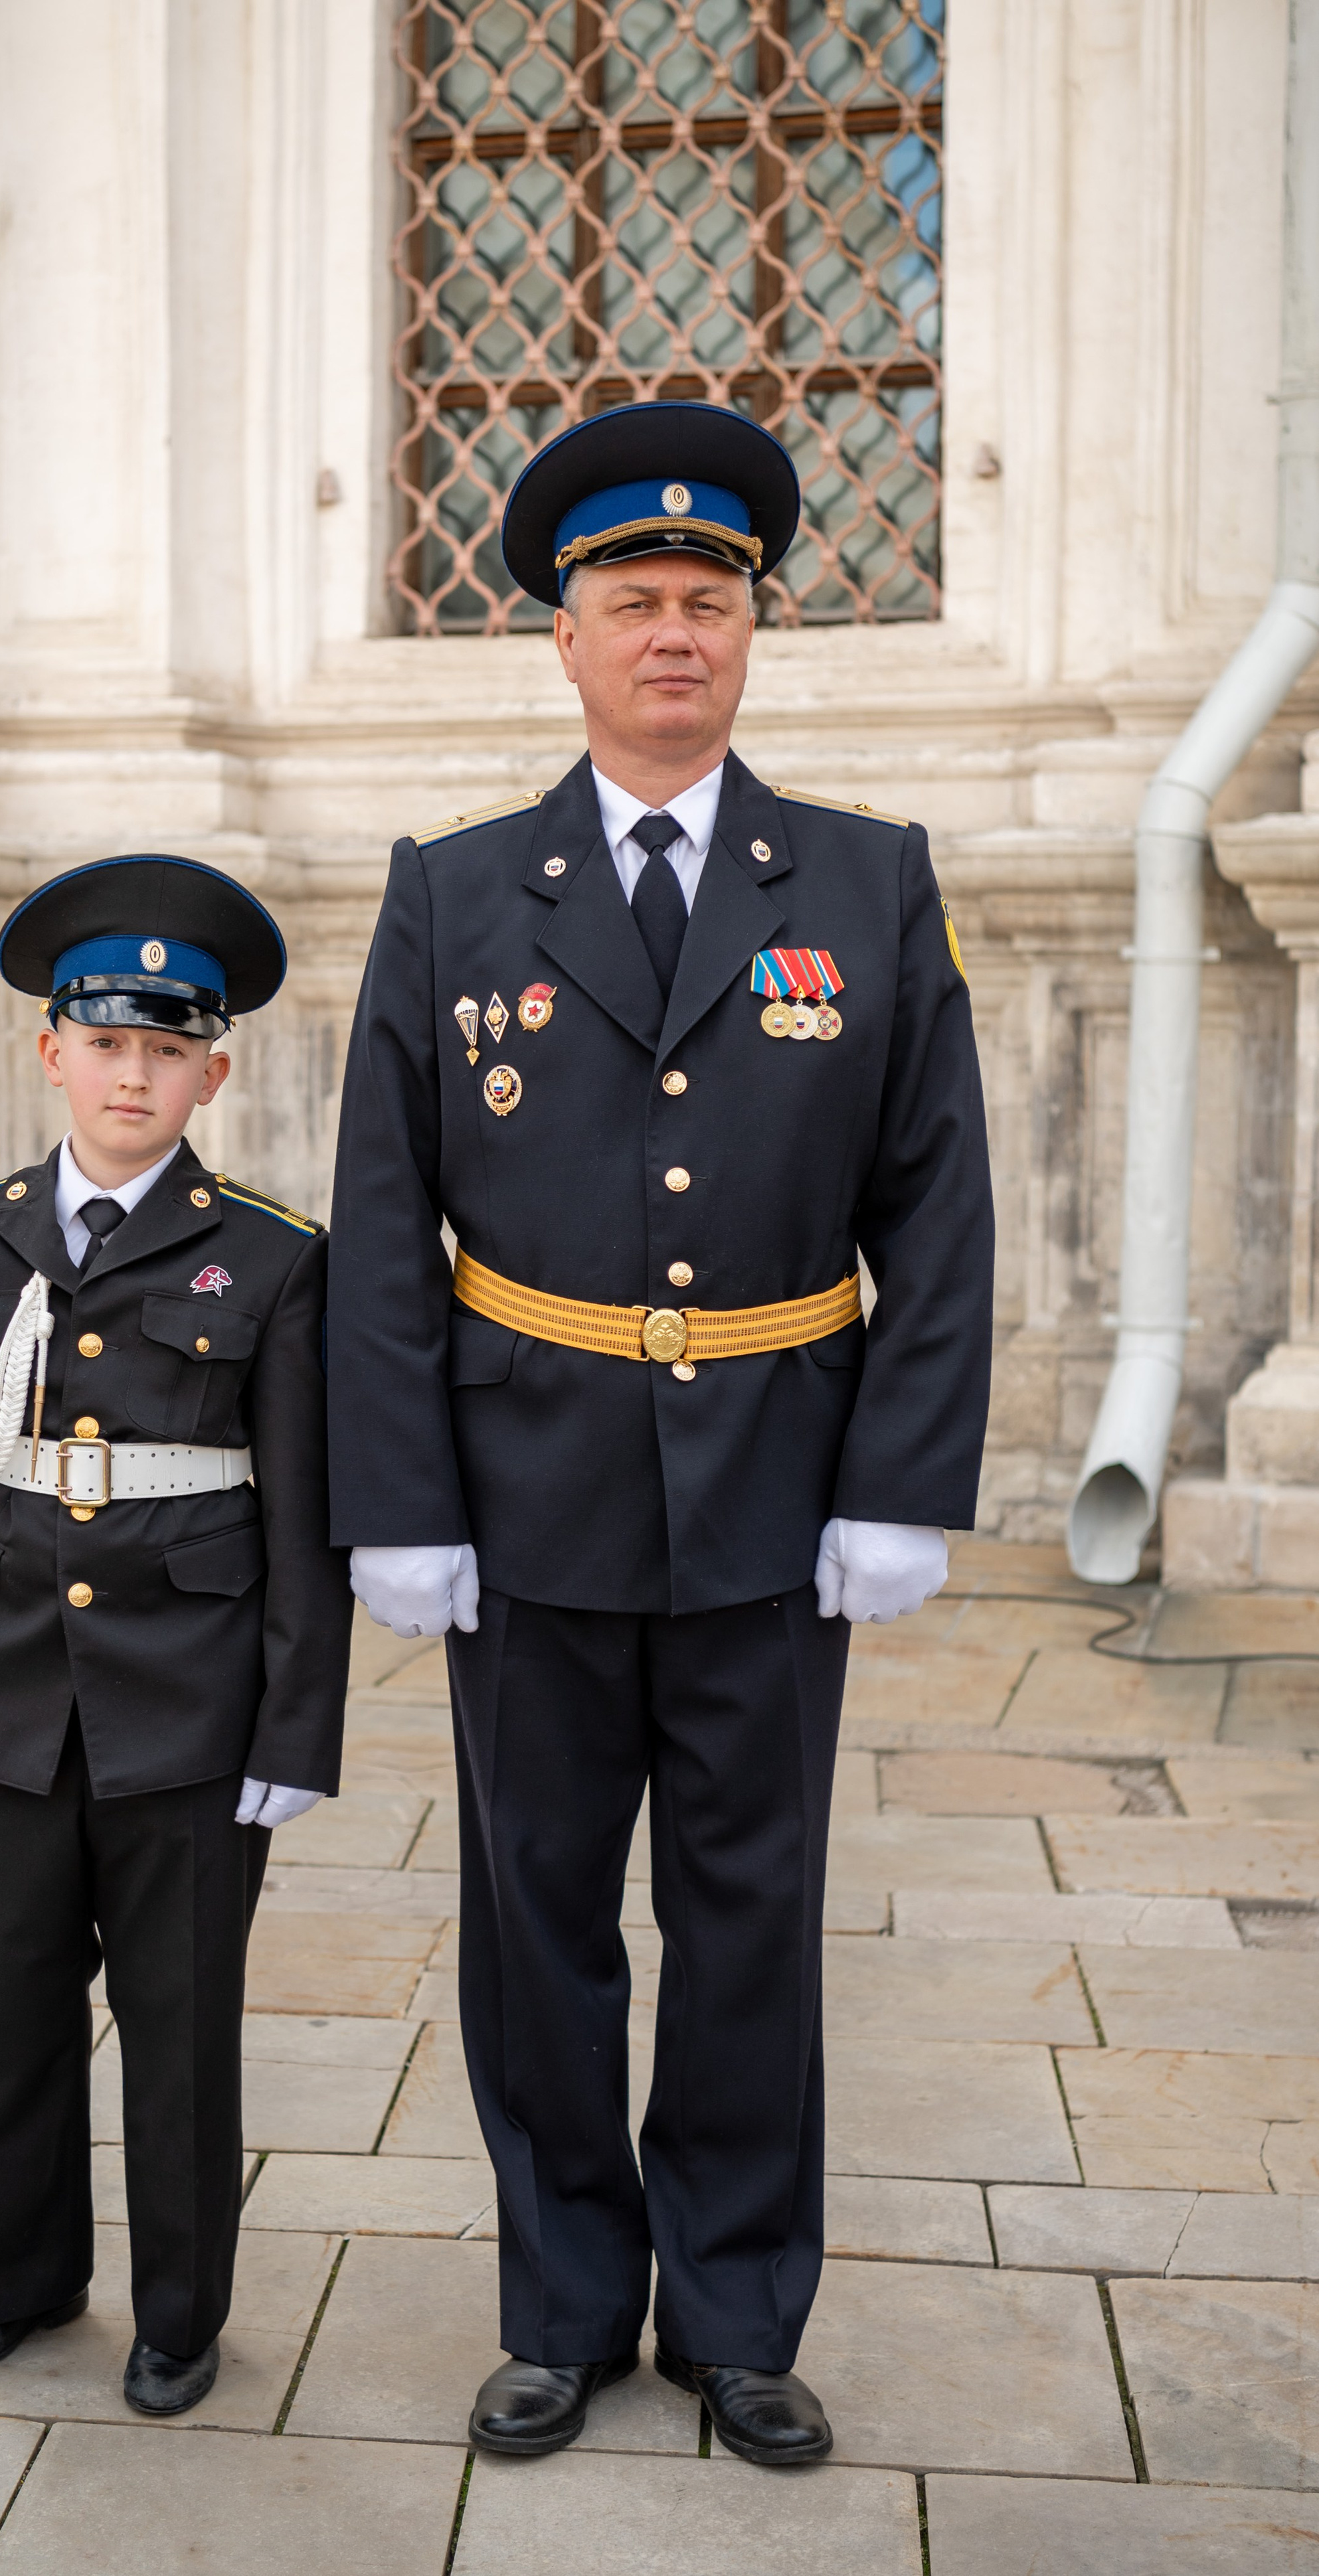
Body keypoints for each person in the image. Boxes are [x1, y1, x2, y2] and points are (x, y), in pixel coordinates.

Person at [326, 402, 993, 2464]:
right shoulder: (453, 897)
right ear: (568, 639)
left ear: (756, 631)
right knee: (534, 1924)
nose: (674, 633)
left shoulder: (868, 889)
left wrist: (902, 1484)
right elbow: (378, 1223)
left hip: (776, 1507)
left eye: (710, 599)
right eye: (634, 601)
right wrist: (400, 1505)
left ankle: (730, 2314)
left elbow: (939, 1208)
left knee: (747, 1923)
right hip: (525, 1500)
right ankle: (560, 2305)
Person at [0, 853, 352, 2416]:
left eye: (166, 1048)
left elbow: (304, 1518)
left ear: (213, 1068)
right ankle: (17, 2281)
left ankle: (178, 2313)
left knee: (178, 2023)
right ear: (50, 1051)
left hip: (188, 1711)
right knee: (8, 2011)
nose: (133, 1074)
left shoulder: (272, 1257)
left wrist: (293, 1731)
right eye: (105, 1041)